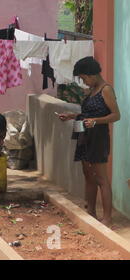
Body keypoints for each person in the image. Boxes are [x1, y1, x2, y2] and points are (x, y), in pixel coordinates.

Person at [58, 56, 120, 227]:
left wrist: (96, 121)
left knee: (101, 178)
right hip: (84, 136)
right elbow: (87, 113)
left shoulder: (106, 90)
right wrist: (72, 116)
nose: (84, 82)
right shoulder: (91, 90)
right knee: (88, 175)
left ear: (91, 74)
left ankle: (107, 217)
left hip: (98, 137)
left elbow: (116, 115)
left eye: (84, 78)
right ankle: (91, 211)